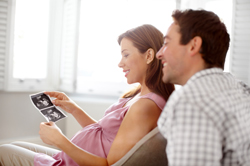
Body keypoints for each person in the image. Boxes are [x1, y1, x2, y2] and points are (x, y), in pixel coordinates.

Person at [0, 24, 175, 166]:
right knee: (13, 146)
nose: (120, 63)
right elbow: (105, 134)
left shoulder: (145, 106)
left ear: (149, 55)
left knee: (3, 151)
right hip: (70, 159)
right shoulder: (139, 95)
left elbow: (109, 164)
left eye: (126, 55)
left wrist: (60, 140)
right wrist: (74, 109)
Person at [156, 9, 250, 166]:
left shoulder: (191, 102)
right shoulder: (239, 88)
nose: (160, 53)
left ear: (193, 45)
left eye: (166, 43)